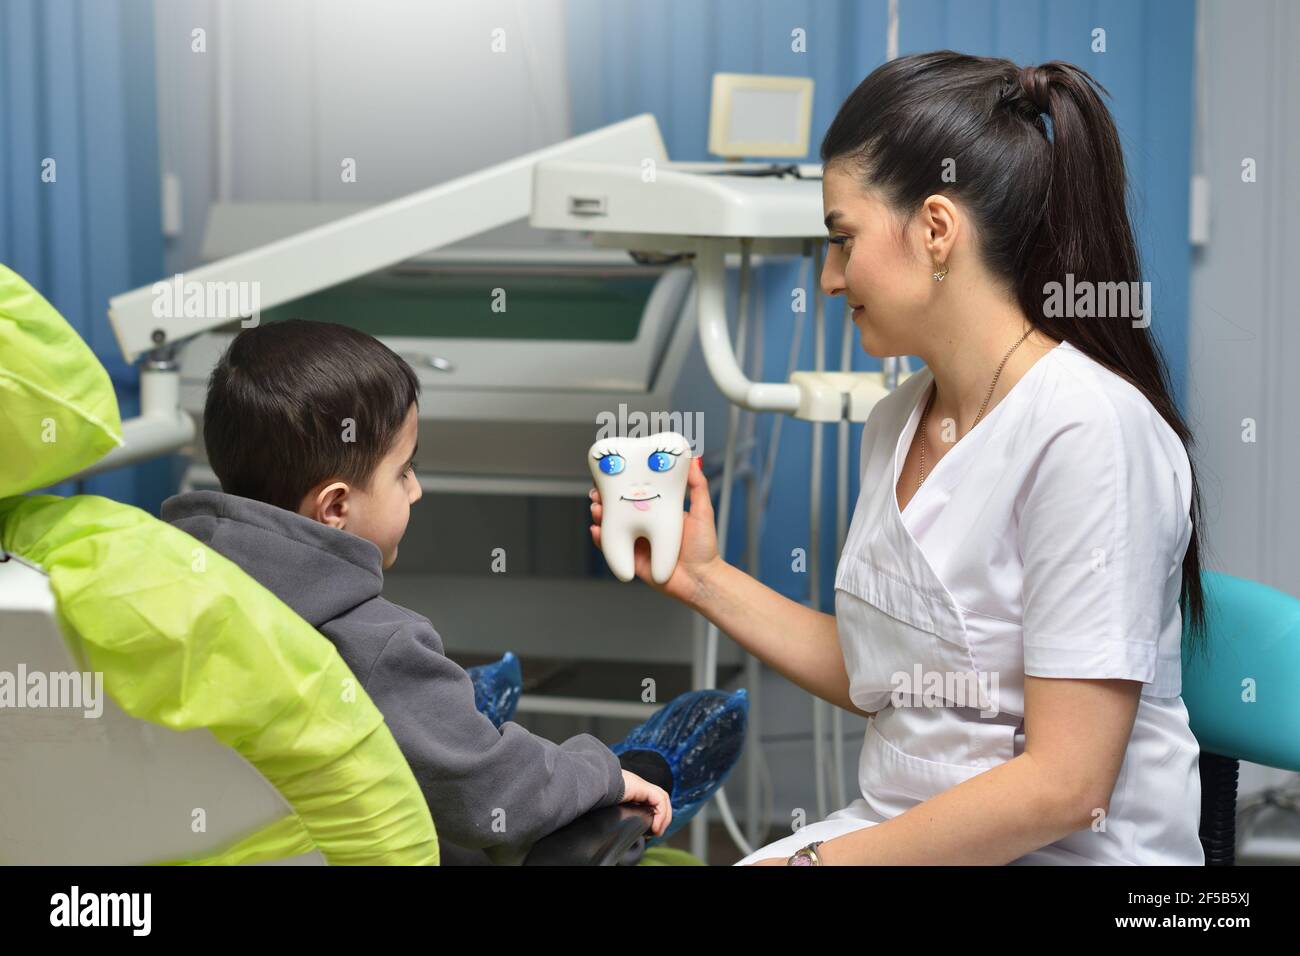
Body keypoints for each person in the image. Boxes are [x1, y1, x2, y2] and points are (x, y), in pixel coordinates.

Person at [590, 51, 1209, 865]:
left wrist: (814, 864)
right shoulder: (897, 420)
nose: (832, 277)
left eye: (842, 239)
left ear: (937, 228)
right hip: (895, 836)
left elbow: (1067, 785)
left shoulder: (1088, 433)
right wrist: (700, 575)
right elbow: (884, 673)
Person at [162, 318, 676, 864]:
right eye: (404, 471)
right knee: (645, 769)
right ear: (336, 507)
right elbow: (496, 793)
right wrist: (602, 773)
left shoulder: (171, 581)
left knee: (454, 718)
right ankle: (651, 759)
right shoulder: (370, 643)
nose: (417, 489)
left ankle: (468, 708)